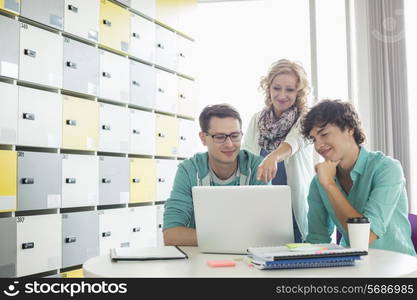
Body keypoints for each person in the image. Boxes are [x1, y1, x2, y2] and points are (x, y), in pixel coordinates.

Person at [301, 99, 416, 257]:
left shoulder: (387, 169)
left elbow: (367, 236)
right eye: (314, 139)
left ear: (349, 128)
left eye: (324, 134)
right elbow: (317, 241)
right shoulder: (319, 182)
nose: (318, 145)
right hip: (352, 267)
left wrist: (330, 185)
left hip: (397, 269)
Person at [163, 104, 267, 246]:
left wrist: (216, 238)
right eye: (220, 137)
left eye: (235, 136)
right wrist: (235, 238)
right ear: (203, 138)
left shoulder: (257, 167)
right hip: (201, 259)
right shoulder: (189, 170)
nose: (230, 144)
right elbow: (171, 235)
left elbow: (267, 232)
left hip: (248, 259)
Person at [243, 59, 314, 243]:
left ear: (299, 92)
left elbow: (295, 142)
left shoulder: (306, 118)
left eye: (290, 89)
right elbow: (247, 158)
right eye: (277, 88)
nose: (282, 95)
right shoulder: (257, 119)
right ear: (268, 88)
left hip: (294, 208)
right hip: (263, 209)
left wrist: (273, 157)